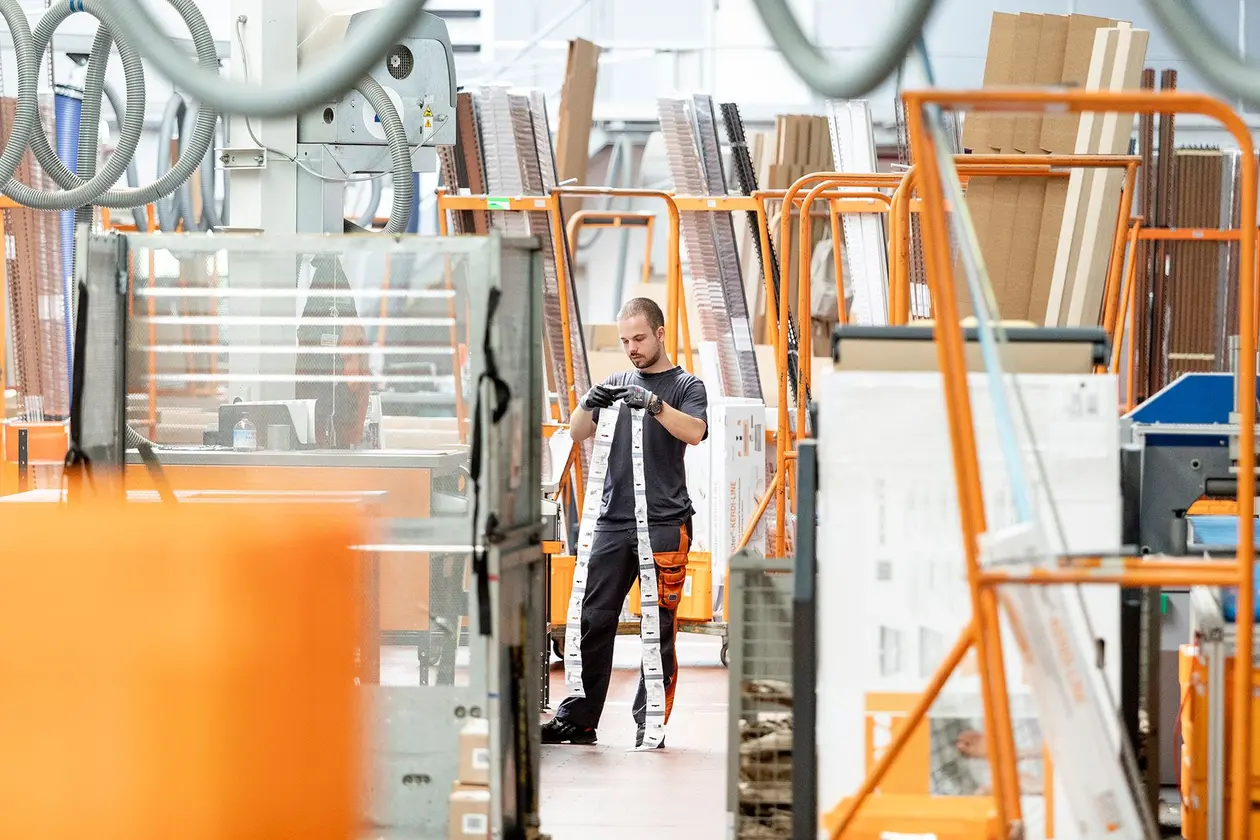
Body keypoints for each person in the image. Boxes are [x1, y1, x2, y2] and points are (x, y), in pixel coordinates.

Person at [542, 297, 709, 749]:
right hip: (612, 521)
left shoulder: (686, 385)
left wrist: (654, 405)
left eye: (639, 338)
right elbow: (577, 431)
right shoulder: (616, 383)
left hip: (664, 524)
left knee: (658, 628)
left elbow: (694, 432)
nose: (632, 348)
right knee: (592, 621)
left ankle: (649, 723)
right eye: (624, 341)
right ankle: (578, 721)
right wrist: (587, 403)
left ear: (660, 333)